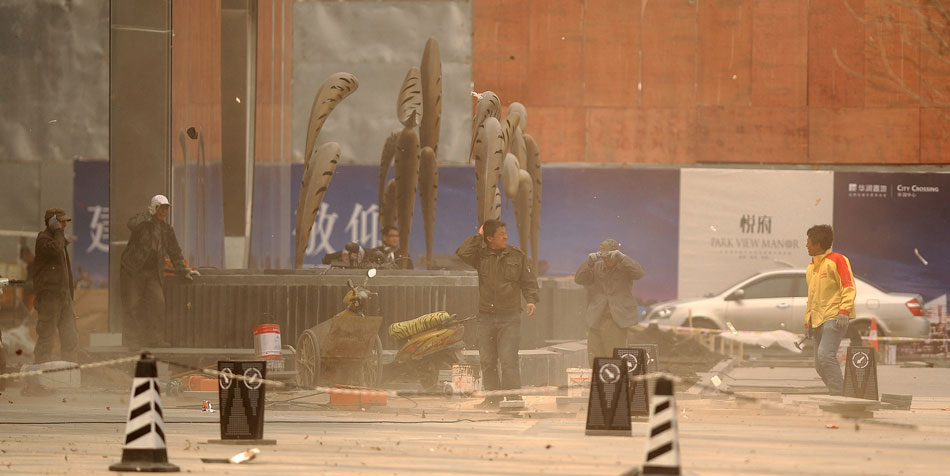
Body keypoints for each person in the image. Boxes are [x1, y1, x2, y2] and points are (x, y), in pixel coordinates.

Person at [456, 219, 538, 408]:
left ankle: (514, 399)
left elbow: (528, 281)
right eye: (501, 234)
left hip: (509, 317)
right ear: (490, 238)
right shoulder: (481, 256)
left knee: (508, 359)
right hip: (485, 317)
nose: (506, 237)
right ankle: (493, 398)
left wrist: (531, 300)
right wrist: (478, 236)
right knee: (487, 360)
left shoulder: (517, 256)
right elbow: (462, 252)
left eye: (506, 233)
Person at [120, 195, 198, 348]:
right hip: (134, 270)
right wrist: (148, 215)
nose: (164, 211)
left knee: (158, 303)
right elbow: (131, 224)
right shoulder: (142, 223)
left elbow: (175, 251)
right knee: (132, 304)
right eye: (161, 208)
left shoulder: (166, 230)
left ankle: (155, 339)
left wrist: (183, 270)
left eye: (166, 209)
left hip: (153, 273)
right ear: (154, 207)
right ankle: (132, 341)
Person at [574, 239, 646, 366]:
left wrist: (623, 258)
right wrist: (589, 263)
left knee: (614, 358)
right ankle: (598, 385)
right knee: (595, 359)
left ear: (616, 254)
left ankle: (614, 385)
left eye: (609, 256)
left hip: (616, 320)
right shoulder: (597, 267)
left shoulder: (625, 267)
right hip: (596, 319)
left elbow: (639, 273)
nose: (607, 260)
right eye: (604, 256)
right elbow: (579, 279)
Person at [805, 224, 855, 395]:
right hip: (818, 320)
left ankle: (841, 398)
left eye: (809, 242)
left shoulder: (838, 260)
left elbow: (848, 286)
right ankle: (839, 394)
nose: (806, 245)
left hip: (834, 317)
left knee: (826, 356)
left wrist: (844, 311)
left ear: (818, 244)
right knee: (819, 365)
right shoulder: (811, 268)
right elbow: (811, 298)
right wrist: (808, 322)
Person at [31, 208, 79, 365]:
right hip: (49, 298)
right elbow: (55, 248)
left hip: (63, 297)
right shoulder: (43, 240)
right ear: (53, 223)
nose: (64, 225)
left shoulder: (58, 241)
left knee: (70, 337)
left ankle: (69, 376)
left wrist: (69, 296)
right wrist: (58, 232)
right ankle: (38, 382)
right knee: (47, 337)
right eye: (61, 221)